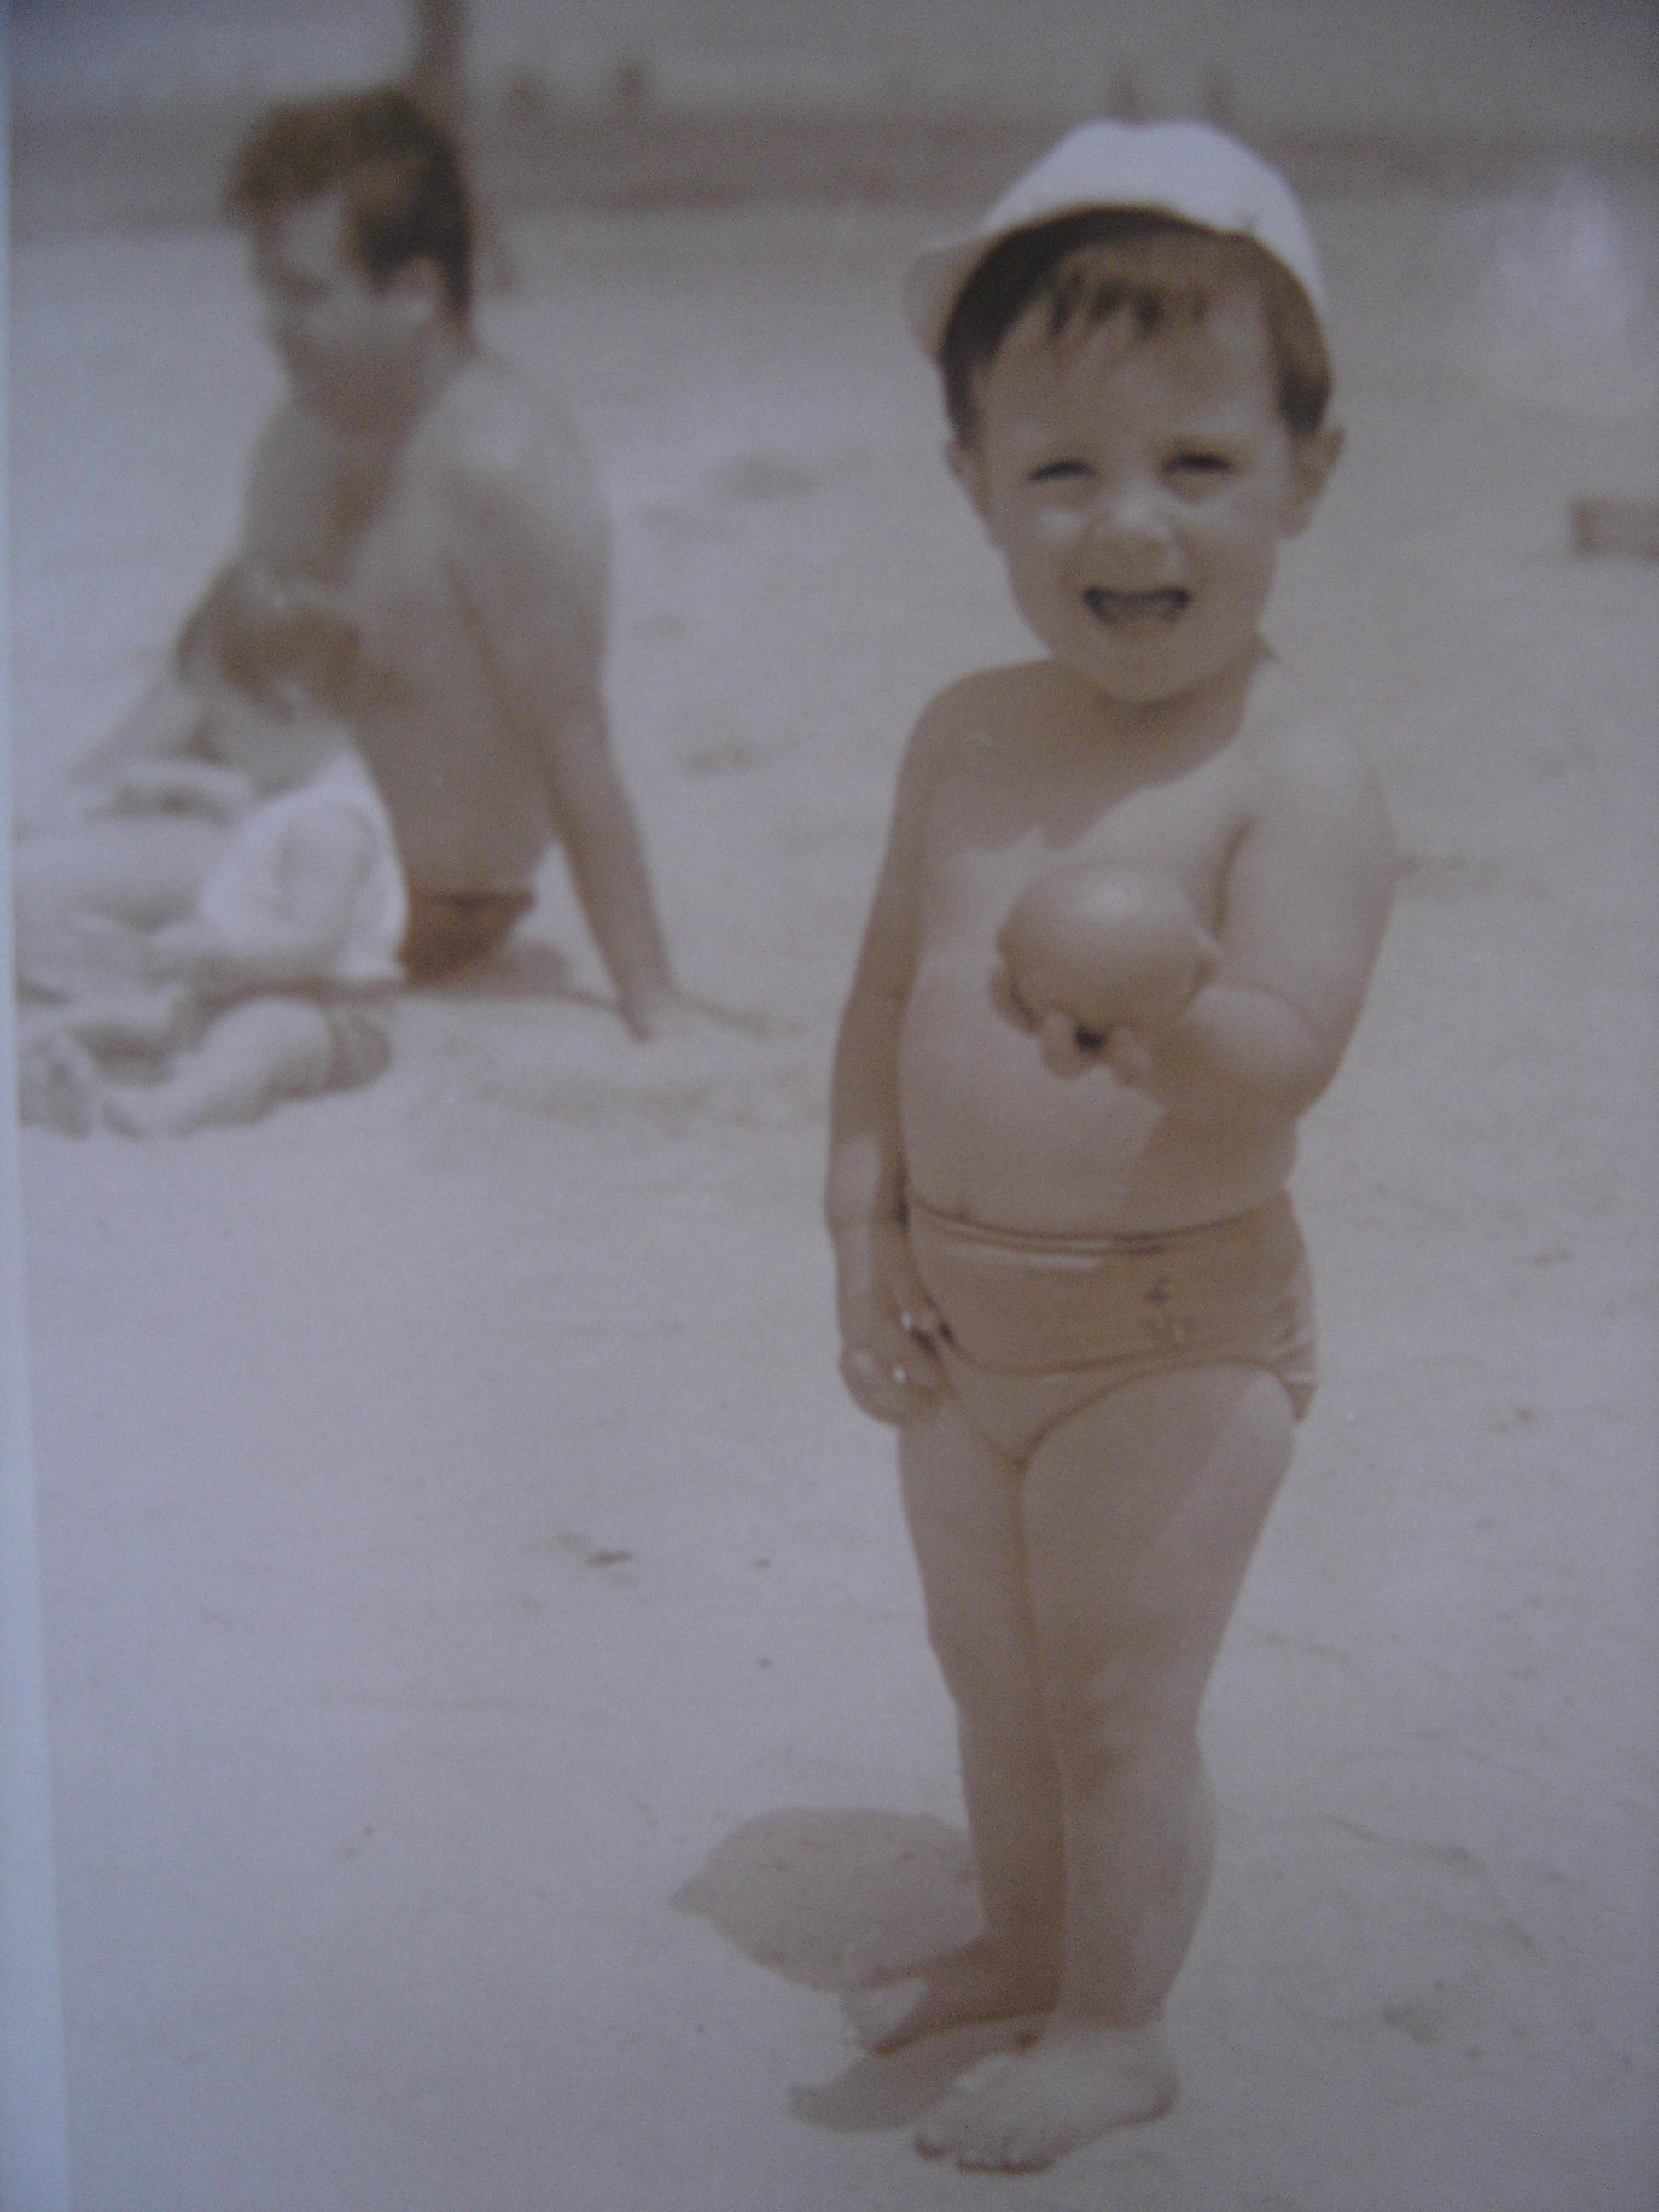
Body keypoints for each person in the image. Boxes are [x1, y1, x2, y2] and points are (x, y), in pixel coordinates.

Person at [824, 121, 1396, 2172]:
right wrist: (852, 1221)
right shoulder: (966, 731)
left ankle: (1112, 2022)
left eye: (1195, 465)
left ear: (1303, 474)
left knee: (1111, 1706)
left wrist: (1160, 1003)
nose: (1120, 521)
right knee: (984, 1681)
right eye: (1055, 466)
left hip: (1171, 1330)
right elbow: (886, 993)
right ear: (970, 476)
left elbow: (1284, 1057)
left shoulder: (1289, 771)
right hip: (963, 1314)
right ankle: (1020, 1935)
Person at [74, 85, 683, 1036]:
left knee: (41, 904)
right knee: (49, 869)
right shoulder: (301, 439)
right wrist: (82, 799)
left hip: (425, 903)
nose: (271, 322)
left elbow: (576, 742)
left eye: (306, 293)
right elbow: (216, 671)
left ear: (415, 292)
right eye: (266, 290)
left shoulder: (500, 467)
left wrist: (653, 999)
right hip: (276, 843)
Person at [17, 739, 405, 1138]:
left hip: (332, 1010)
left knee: (259, 1034)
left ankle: (170, 1107)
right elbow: (245, 796)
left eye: (227, 725)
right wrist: (175, 782)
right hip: (238, 986)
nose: (220, 741)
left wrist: (215, 955)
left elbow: (314, 948)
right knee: (142, 1012)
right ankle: (39, 1044)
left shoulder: (329, 823)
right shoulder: (294, 783)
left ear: (288, 707)